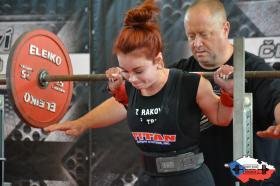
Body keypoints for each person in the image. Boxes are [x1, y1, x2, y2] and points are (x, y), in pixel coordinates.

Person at [44, 0, 235, 185]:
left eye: (138, 71)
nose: (132, 79)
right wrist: (81, 123)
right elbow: (119, 106)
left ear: (158, 61)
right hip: (149, 178)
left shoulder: (192, 83)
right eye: (125, 71)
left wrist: (228, 91)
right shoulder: (131, 88)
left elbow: (221, 118)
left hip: (189, 179)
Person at [108, 0, 280, 185]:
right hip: (153, 177)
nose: (197, 43)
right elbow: (124, 103)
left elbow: (273, 100)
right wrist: (85, 120)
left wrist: (228, 91)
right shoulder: (155, 80)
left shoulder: (192, 80)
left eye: (204, 34)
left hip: (222, 175)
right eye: (191, 36)